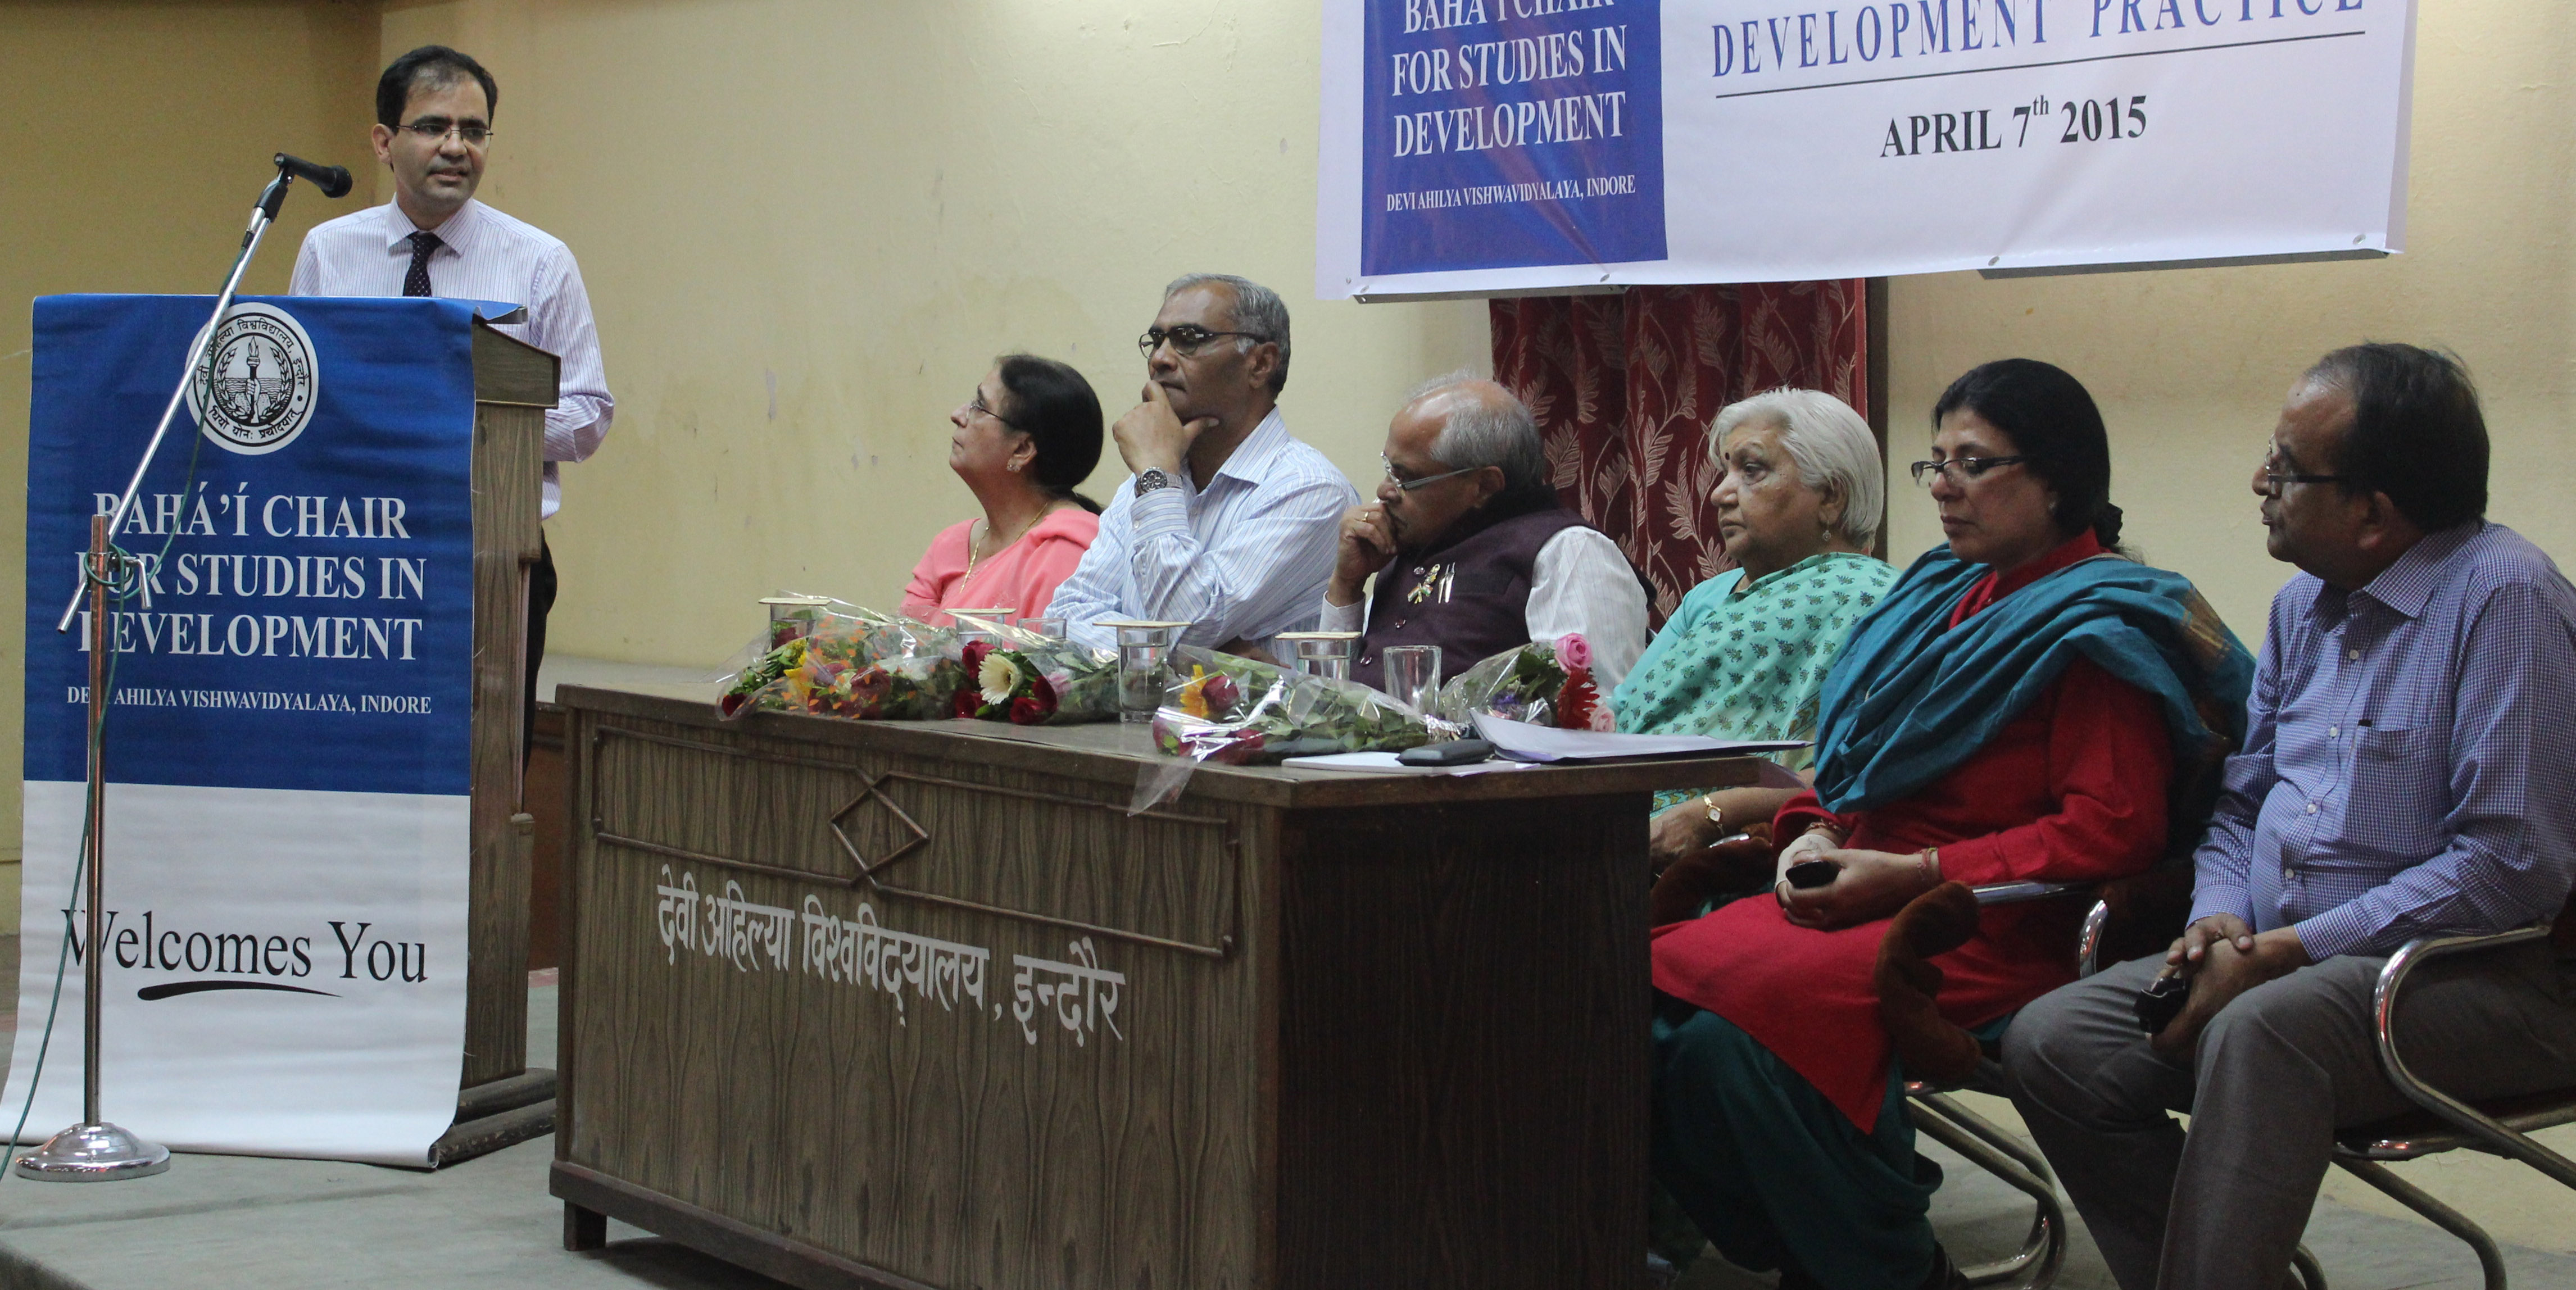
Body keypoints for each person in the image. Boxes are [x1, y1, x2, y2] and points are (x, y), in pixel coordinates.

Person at [1647, 360, 2253, 1290]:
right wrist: (1808, 831)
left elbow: (2110, 832)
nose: (1941, 489)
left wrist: (1916, 870)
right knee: (1641, 1002)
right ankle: (1820, 1231)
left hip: (1986, 921)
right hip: (1853, 895)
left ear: (2054, 480)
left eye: (1972, 464)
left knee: (1742, 1038)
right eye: (1933, 464)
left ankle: (1884, 1263)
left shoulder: (2096, 625)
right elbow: (1845, 761)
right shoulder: (1934, 591)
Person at [2002, 345, 2576, 1290]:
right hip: (2279, 958)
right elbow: (2240, 801)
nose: (2258, 482)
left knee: (2263, 1029)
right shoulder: (2301, 605)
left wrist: (2293, 948)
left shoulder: (2504, 599)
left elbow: (2505, 868)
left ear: (2371, 512)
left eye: (2285, 467)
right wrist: (2216, 918)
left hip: (2486, 977)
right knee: (2054, 1043)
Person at [290, 45, 611, 756]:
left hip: (492, 557)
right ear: (384, 142)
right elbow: (307, 400)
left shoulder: (538, 260)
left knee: (483, 767)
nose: (456, 147)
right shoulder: (329, 251)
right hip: (355, 556)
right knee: (360, 756)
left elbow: (589, 415)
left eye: (474, 130)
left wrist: (465, 419)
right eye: (434, 127)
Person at [1615, 388, 1897, 883]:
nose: (1722, 493)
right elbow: (1625, 716)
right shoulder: (1709, 597)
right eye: (1727, 471)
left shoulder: (1874, 599)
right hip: (1618, 815)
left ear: (1830, 497)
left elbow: (1861, 775)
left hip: (1744, 851)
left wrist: (1710, 811)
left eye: (1753, 470)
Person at [1045, 275, 1359, 657]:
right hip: (1136, 716)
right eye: (1156, 340)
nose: (1159, 358)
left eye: (1188, 339)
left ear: (1260, 364)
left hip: (1250, 719)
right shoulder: (1149, 480)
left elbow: (1189, 626)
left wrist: (1156, 476)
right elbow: (1064, 621)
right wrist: (1196, 656)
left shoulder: (1309, 489)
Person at [1319, 371, 1646, 687]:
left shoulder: (1570, 551)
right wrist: (1347, 587)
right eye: (1388, 468)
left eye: (1406, 478)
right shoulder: (1406, 544)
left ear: (1484, 486)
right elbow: (1327, 704)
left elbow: (1593, 715)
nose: (1384, 490)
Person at [902, 355, 1103, 625]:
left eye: (979, 407)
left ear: (1022, 450)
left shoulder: (1065, 550)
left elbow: (1040, 664)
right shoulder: (952, 545)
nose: (958, 415)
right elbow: (902, 646)